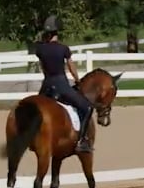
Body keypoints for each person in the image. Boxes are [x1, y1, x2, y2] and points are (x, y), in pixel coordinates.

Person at [31, 16, 96, 153]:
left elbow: (43, 68)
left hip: (46, 86)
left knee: (35, 111)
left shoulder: (40, 49)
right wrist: (77, 80)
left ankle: (31, 137)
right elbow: (71, 67)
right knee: (87, 108)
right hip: (62, 85)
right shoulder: (63, 49)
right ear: (57, 33)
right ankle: (81, 141)